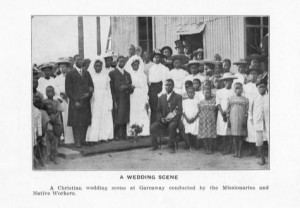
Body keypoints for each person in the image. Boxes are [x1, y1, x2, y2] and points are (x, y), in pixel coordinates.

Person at [65, 55, 94, 148]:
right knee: (76, 122)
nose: (80, 61)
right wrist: (75, 101)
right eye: (78, 60)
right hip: (76, 102)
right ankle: (77, 141)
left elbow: (91, 86)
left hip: (85, 101)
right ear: (74, 61)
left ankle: (82, 139)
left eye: (81, 59)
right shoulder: (70, 74)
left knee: (85, 121)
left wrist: (89, 94)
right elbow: (68, 90)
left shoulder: (87, 73)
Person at [86, 56, 114, 143]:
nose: (98, 67)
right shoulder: (90, 76)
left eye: (100, 66)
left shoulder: (105, 76)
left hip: (104, 97)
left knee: (105, 116)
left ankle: (103, 136)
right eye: (96, 66)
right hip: (95, 98)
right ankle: (94, 137)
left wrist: (110, 101)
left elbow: (108, 89)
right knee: (96, 117)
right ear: (94, 66)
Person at [150, 79, 182, 153]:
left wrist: (171, 119)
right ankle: (155, 146)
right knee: (153, 127)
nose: (168, 87)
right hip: (163, 120)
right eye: (166, 85)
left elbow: (179, 111)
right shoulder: (161, 97)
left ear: (173, 86)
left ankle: (171, 147)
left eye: (170, 85)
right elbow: (158, 111)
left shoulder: (178, 97)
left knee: (172, 126)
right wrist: (161, 119)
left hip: (173, 120)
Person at [109, 56, 134, 140]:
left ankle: (123, 134)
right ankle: (115, 134)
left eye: (123, 61)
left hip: (126, 98)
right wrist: (114, 100)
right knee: (117, 116)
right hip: (117, 98)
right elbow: (111, 88)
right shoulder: (112, 73)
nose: (122, 63)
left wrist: (127, 88)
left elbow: (131, 88)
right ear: (117, 62)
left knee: (125, 116)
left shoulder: (127, 74)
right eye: (120, 61)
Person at [125, 55, 150, 136]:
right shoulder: (128, 74)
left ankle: (143, 132)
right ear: (131, 65)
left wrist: (146, 97)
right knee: (133, 111)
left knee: (142, 111)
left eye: (137, 64)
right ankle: (133, 131)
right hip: (132, 95)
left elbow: (145, 87)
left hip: (141, 95)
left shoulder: (142, 75)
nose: (135, 66)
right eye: (134, 65)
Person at [249, 79, 269, 165]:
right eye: (260, 87)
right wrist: (251, 120)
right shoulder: (254, 97)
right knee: (259, 140)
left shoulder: (269, 97)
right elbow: (250, 110)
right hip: (258, 121)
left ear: (266, 87)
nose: (261, 89)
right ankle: (262, 158)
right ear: (257, 88)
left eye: (263, 87)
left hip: (268, 122)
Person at [244, 65, 263, 156]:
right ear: (249, 76)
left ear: (258, 76)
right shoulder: (246, 86)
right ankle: (251, 148)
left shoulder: (260, 86)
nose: (253, 76)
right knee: (250, 129)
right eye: (251, 74)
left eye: (255, 74)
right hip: (249, 110)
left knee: (258, 130)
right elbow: (244, 98)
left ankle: (258, 150)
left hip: (258, 110)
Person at [216, 73, 237, 155]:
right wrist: (222, 113)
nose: (228, 82)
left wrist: (228, 113)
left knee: (230, 131)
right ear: (224, 82)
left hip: (231, 113)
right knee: (223, 132)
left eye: (230, 81)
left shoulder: (233, 92)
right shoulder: (219, 91)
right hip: (221, 114)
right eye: (226, 81)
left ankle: (230, 148)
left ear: (232, 82)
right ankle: (224, 147)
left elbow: (233, 103)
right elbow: (218, 103)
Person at [55, 57, 74, 144]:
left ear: (68, 67)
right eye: (60, 67)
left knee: (72, 118)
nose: (62, 69)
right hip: (62, 101)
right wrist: (61, 94)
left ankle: (73, 139)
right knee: (64, 119)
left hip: (72, 100)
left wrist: (69, 94)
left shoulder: (72, 76)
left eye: (64, 67)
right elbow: (56, 90)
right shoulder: (57, 79)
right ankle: (65, 139)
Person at [227, 82, 249, 158]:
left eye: (240, 88)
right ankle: (236, 151)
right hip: (232, 119)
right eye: (236, 88)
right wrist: (228, 120)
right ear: (234, 90)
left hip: (241, 119)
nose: (238, 90)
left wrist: (245, 120)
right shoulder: (231, 98)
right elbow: (228, 110)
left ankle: (240, 151)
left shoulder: (245, 99)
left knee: (240, 136)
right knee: (234, 136)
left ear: (242, 89)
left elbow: (246, 111)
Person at [148, 49, 169, 124]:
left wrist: (163, 92)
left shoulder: (164, 68)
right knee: (153, 107)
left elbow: (165, 81)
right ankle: (153, 126)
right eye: (155, 57)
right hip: (152, 89)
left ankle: (161, 126)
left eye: (158, 57)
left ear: (161, 58)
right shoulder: (151, 68)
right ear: (153, 59)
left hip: (160, 88)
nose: (156, 59)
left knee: (160, 107)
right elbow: (150, 81)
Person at [197, 88, 217, 154]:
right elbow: (199, 111)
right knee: (204, 135)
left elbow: (215, 110)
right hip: (203, 119)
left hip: (211, 119)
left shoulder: (213, 101)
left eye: (208, 93)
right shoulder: (200, 102)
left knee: (210, 135)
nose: (207, 94)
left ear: (211, 94)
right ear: (203, 93)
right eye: (206, 93)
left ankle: (210, 149)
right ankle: (207, 148)